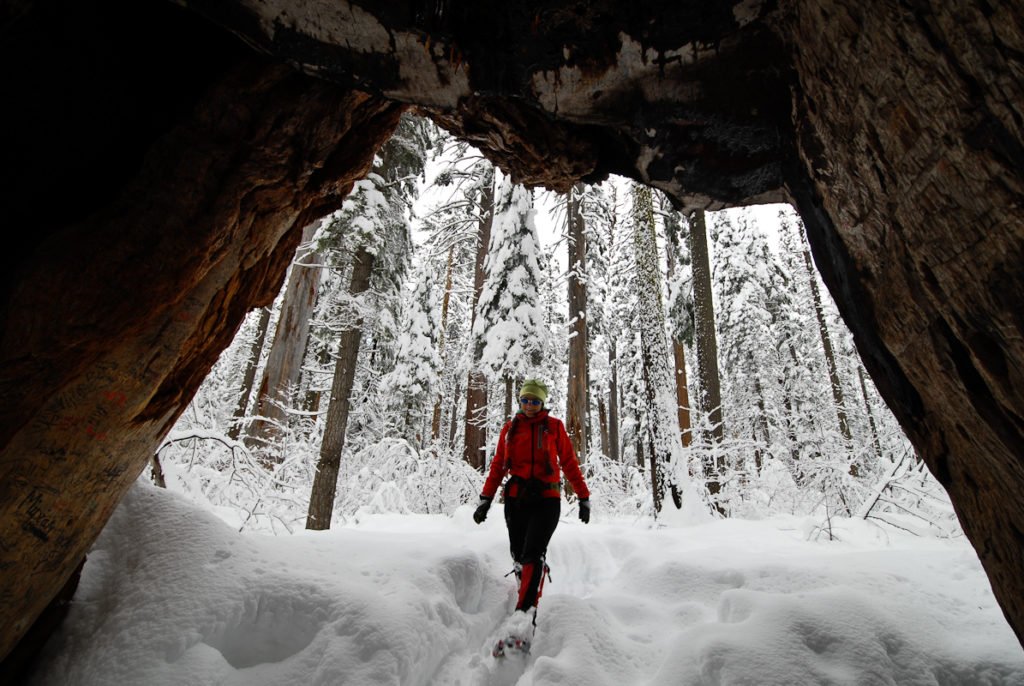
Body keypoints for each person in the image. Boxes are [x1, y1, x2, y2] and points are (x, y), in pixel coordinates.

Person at [473, 379, 590, 616]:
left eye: (535, 401)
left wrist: (583, 497)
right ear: (519, 400)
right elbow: (498, 466)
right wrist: (485, 498)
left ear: (542, 403)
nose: (529, 405)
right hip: (516, 499)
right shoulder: (509, 429)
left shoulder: (554, 427)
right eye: (525, 399)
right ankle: (527, 587)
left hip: (547, 499)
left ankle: (524, 615)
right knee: (518, 553)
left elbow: (569, 463)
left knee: (533, 552)